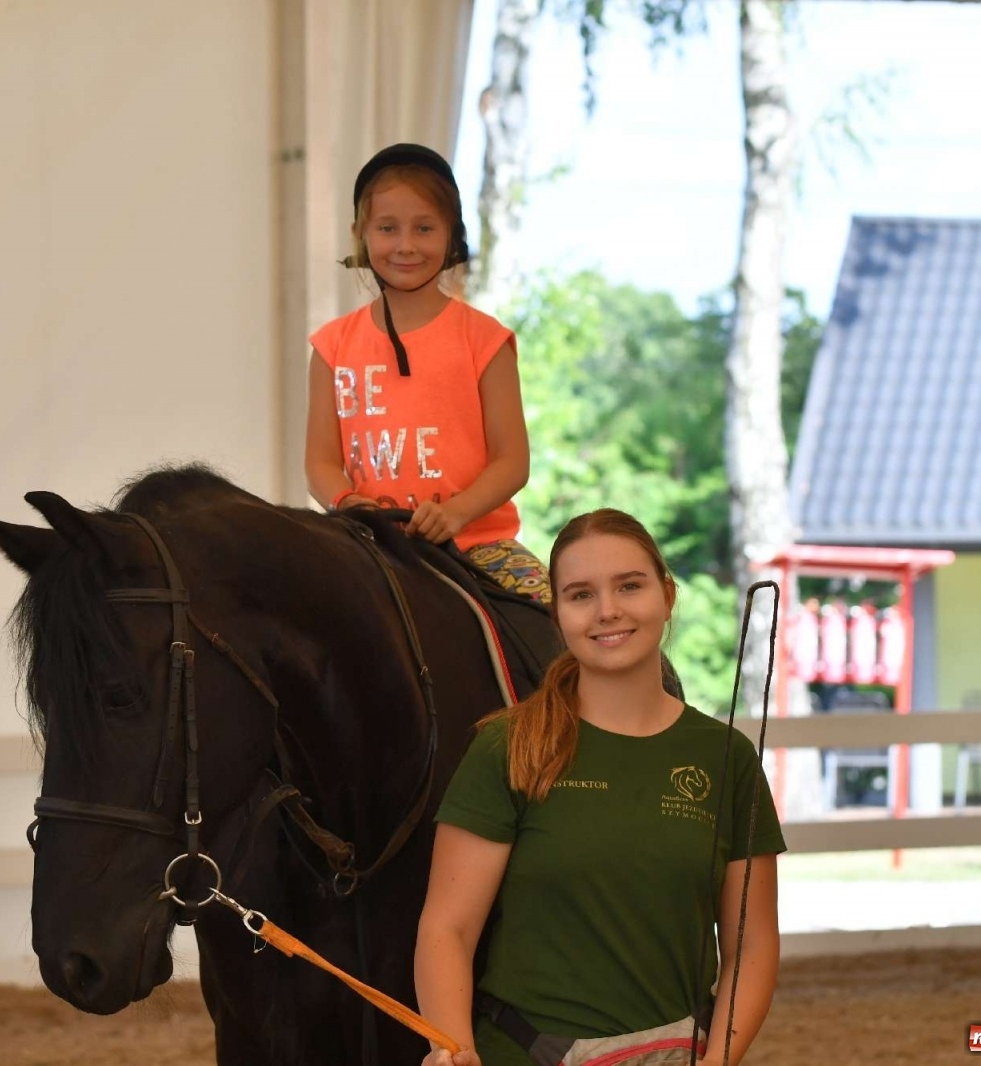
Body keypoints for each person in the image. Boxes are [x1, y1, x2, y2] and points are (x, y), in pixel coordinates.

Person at [414, 509, 784, 1066]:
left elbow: (750, 945)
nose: (607, 610)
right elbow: (448, 928)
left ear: (666, 594)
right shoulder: (508, 747)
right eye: (581, 595)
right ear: (558, 613)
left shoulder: (727, 759)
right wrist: (454, 1048)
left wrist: (718, 1061)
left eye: (629, 586)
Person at [304, 143, 548, 604]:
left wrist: (456, 513)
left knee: (560, 620)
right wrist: (346, 502)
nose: (406, 245)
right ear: (360, 233)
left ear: (452, 235)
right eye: (387, 228)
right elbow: (319, 462)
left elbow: (513, 461)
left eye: (424, 228)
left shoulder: (485, 339)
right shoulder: (332, 346)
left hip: (478, 545)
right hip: (368, 547)